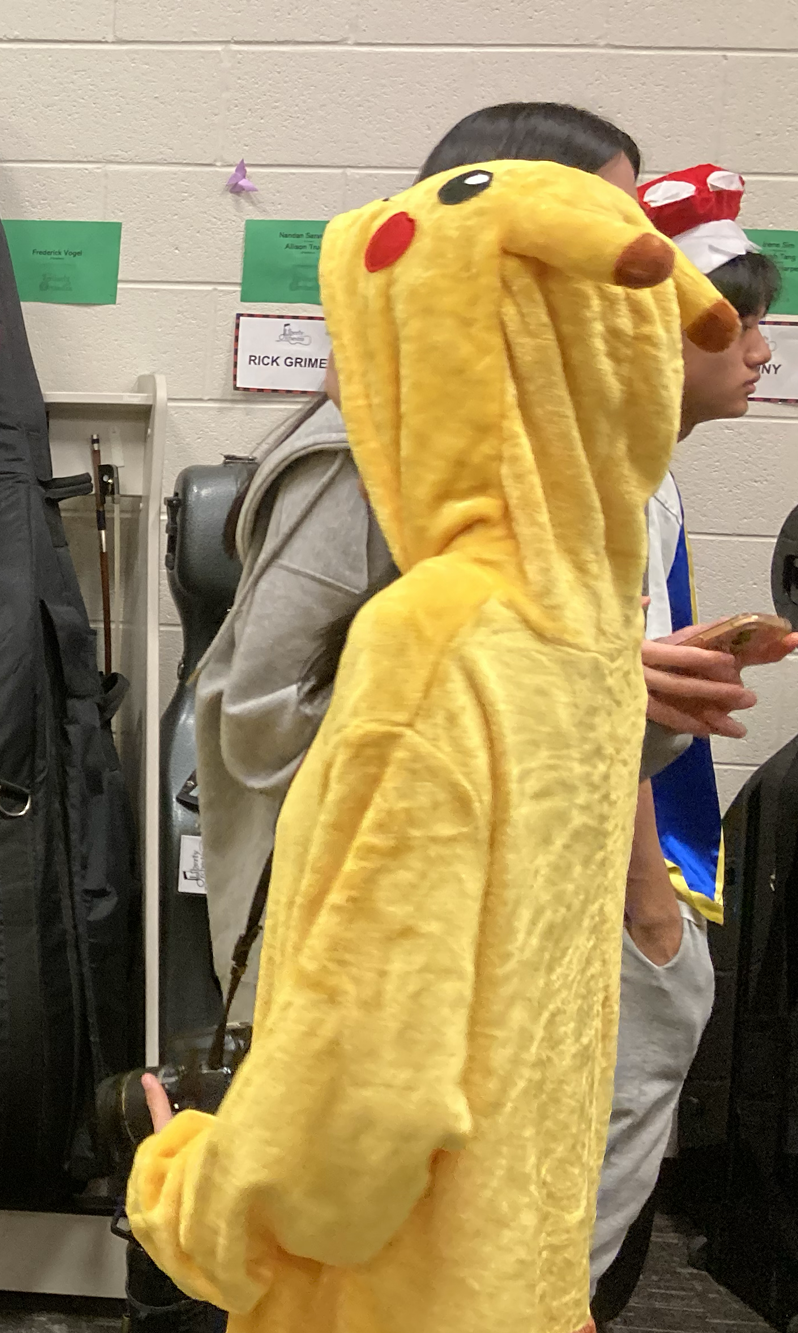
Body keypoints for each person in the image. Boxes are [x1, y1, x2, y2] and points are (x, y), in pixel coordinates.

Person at [128, 127, 738, 1333]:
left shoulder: (486, 610)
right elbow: (246, 710)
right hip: (491, 1249)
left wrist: (193, 1195)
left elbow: (365, 1110)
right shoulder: (508, 596)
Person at [589, 161, 791, 1324]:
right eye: (741, 323)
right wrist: (651, 909)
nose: (763, 350)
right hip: (612, 881)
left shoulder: (651, 479)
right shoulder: (602, 482)